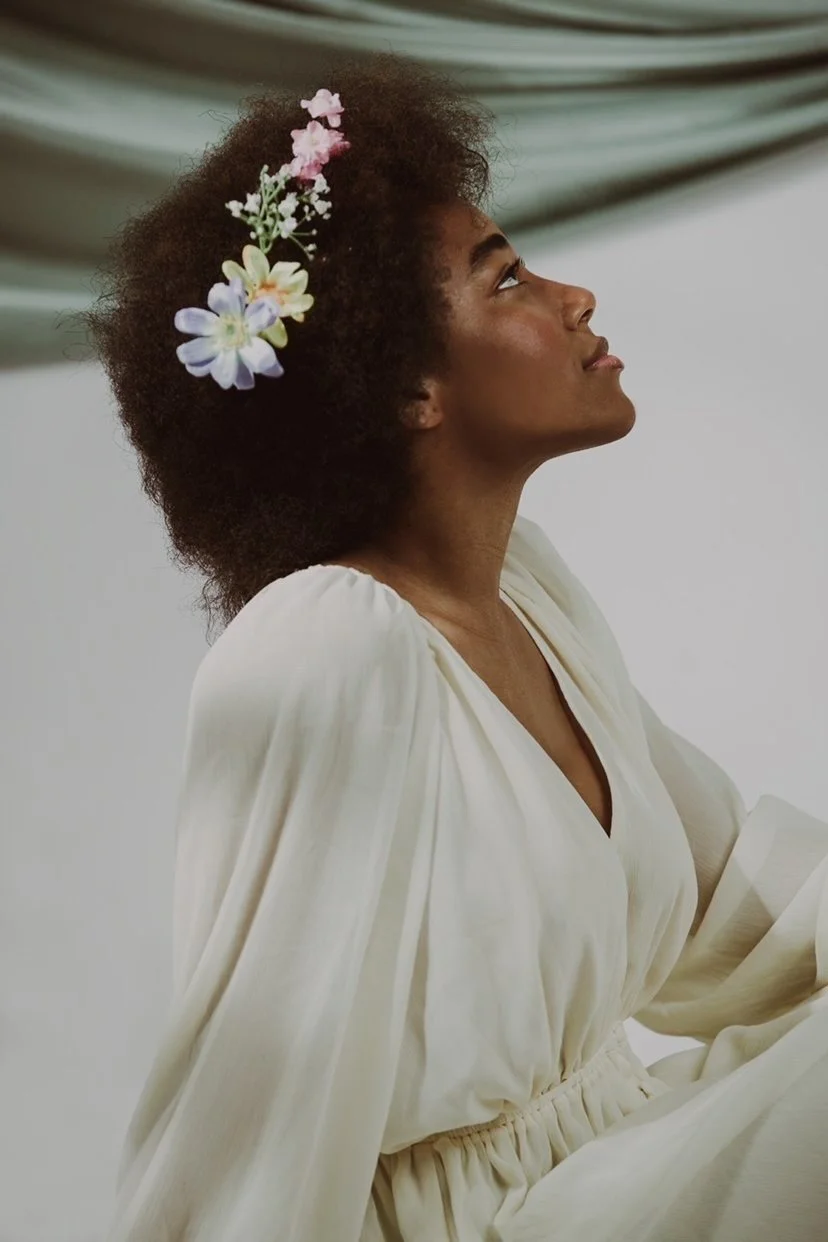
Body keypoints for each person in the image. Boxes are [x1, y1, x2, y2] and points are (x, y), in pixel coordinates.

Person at [81, 50, 828, 1242]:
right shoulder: (322, 652)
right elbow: (249, 1109)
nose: (574, 296)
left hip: (622, 1164)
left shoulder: (528, 593)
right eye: (508, 277)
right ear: (405, 391)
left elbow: (736, 892)